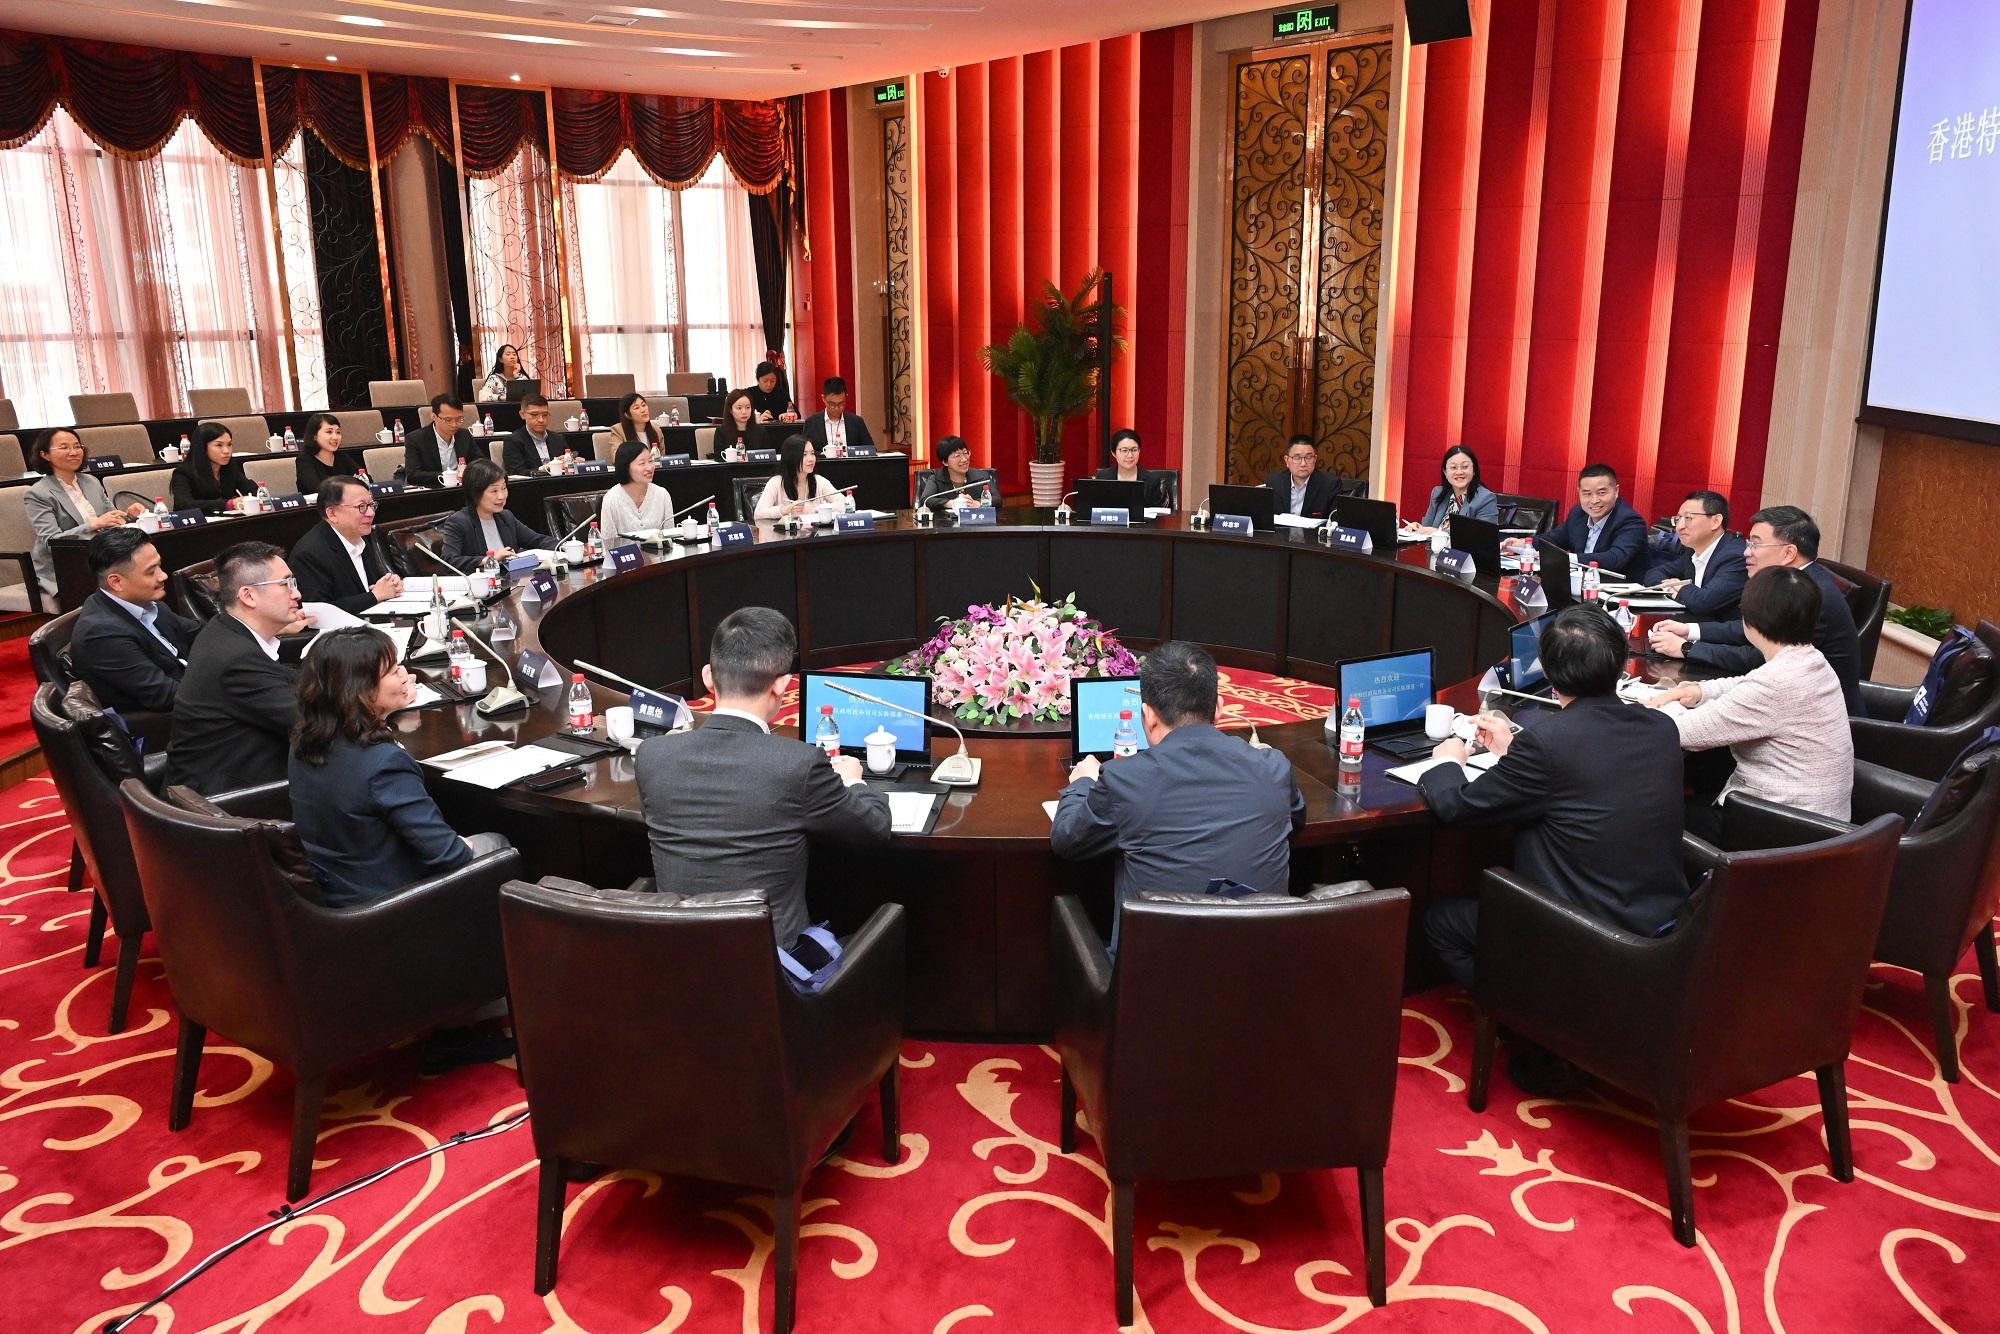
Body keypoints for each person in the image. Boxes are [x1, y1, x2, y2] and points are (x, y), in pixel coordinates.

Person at [1419, 605, 1689, 1004]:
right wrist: (1514, 751)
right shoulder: (1661, 727)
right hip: (1662, 926)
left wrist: (1447, 763)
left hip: (1578, 932)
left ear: (1548, 672)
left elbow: (1456, 807)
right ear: (1621, 665)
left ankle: (1534, 1015)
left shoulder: (1548, 742)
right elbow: (1592, 771)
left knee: (1441, 922)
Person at [634, 607, 891, 948]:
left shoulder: (652, 755)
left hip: (677, 958)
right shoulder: (798, 764)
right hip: (774, 965)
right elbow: (873, 828)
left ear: (708, 677)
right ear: (782, 686)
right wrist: (854, 780)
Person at [1050, 640, 1305, 944]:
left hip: (1154, 970)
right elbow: (1295, 820)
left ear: (1148, 716)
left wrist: (1083, 783)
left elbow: (1067, 838)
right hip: (1264, 965)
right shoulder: (1273, 767)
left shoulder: (1125, 780)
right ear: (1219, 709)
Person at [289, 626, 513, 905]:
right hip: (391, 904)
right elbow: (449, 855)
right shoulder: (383, 764)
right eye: (394, 671)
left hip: (333, 888)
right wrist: (463, 842)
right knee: (497, 844)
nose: (407, 675)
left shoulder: (305, 740)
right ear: (362, 690)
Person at [1646, 566, 1854, 837]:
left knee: (1647, 815)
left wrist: (1655, 704)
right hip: (1821, 822)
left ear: (1749, 621)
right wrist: (1699, 691)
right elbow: (1749, 683)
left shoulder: (1774, 685)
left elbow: (1682, 732)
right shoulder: (1811, 659)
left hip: (1778, 829)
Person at [1647, 504, 1862, 715]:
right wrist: (1690, 630)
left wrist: (1687, 648)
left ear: (1789, 553)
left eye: (1755, 544)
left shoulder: (1810, 596)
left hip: (1815, 713)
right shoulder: (1793, 582)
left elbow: (1762, 659)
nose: (1746, 552)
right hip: (1785, 698)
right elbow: (1750, 629)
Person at [167, 542, 312, 794]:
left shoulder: (224, 628)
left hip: (242, 775)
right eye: (285, 584)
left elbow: (285, 678)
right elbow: (310, 723)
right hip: (225, 800)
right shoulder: (235, 657)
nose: (297, 594)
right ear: (248, 596)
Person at [69, 525, 200, 714]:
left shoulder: (148, 605)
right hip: (169, 721)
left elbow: (200, 634)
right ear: (116, 582)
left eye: (159, 565)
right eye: (151, 571)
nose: (163, 575)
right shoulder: (101, 634)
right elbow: (165, 695)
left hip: (192, 692)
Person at [23, 427, 143, 606]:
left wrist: (128, 515)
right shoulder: (38, 493)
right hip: (66, 565)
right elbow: (50, 541)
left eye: (77, 446)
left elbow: (110, 518)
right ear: (45, 454)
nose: (73, 452)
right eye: (64, 447)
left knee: (143, 569)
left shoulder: (91, 481)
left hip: (101, 556)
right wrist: (93, 525)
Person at [290, 476, 408, 613]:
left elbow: (371, 587)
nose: (371, 513)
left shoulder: (361, 538)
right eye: (361, 506)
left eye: (371, 505)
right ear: (332, 513)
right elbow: (318, 612)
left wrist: (389, 584)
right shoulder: (309, 554)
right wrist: (375, 596)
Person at [1508, 463, 1647, 578]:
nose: (1594, 500)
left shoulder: (1630, 521)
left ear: (1616, 491)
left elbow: (1615, 558)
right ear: (1579, 492)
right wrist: (1525, 544)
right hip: (1581, 585)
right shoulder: (1578, 513)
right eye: (1587, 494)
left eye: (1602, 493)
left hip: (1617, 592)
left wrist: (1566, 559)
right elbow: (1555, 538)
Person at [1642, 489, 1748, 619]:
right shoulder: (1693, 550)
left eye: (1688, 518)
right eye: (1678, 519)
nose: (1679, 527)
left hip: (1718, 630)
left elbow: (1703, 602)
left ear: (1716, 521)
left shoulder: (1736, 556)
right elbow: (1653, 574)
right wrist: (1671, 587)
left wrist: (1680, 588)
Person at [439, 459, 556, 569]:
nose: (501, 496)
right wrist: (490, 559)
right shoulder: (458, 522)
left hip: (511, 579)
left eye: (504, 488)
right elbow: (449, 560)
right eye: (494, 491)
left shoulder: (506, 516)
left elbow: (538, 540)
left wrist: (563, 546)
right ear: (475, 493)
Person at [1410, 445, 1500, 533]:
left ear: (1474, 470)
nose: (1459, 472)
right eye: (1453, 467)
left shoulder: (1486, 498)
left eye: (1465, 467)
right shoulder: (1438, 493)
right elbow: (1427, 527)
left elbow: (1483, 536)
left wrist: (1439, 533)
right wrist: (1417, 528)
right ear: (1445, 472)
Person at [169, 423, 256, 513]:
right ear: (202, 447)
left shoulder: (229, 468)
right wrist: (228, 504)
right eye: (219, 445)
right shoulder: (183, 473)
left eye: (229, 444)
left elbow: (253, 490)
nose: (226, 451)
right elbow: (183, 504)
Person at [401, 395, 483, 488]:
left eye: (459, 419)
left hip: (462, 489)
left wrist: (468, 472)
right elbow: (413, 475)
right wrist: (449, 476)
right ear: (434, 416)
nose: (454, 424)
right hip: (432, 490)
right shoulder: (415, 439)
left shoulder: (464, 435)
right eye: (448, 420)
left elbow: (480, 462)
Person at [753, 434, 838, 520]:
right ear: (791, 457)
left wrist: (819, 509)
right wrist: (785, 510)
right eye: (804, 454)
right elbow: (758, 513)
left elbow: (843, 503)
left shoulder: (819, 481)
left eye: (812, 453)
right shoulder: (776, 482)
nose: (811, 459)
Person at [601, 441, 675, 535]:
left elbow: (670, 536)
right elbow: (608, 540)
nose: (649, 468)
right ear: (625, 467)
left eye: (650, 461)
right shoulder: (611, 499)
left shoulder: (662, 494)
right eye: (642, 463)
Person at [1262, 435, 1342, 520]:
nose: (1303, 463)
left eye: (1308, 457)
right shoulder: (1274, 482)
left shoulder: (1330, 484)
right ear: (1287, 460)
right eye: (1297, 458)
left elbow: (1335, 519)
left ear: (1315, 459)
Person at [1092, 428, 1174, 509]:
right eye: (1124, 450)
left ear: (1139, 451)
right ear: (1113, 453)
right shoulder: (1103, 477)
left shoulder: (1152, 480)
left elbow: (1157, 513)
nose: (1130, 455)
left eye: (1134, 450)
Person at [799, 376, 878, 456]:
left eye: (841, 404)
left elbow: (871, 450)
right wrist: (824, 454)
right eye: (832, 404)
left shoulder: (856, 422)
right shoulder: (811, 423)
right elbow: (803, 452)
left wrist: (851, 452)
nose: (836, 408)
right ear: (823, 398)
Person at [915, 436, 996, 510]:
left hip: (975, 520)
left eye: (965, 453)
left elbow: (997, 498)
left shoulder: (981, 476)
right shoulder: (936, 478)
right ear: (945, 462)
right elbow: (925, 500)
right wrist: (950, 503)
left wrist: (979, 503)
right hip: (946, 521)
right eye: (957, 456)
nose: (964, 459)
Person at [501, 392, 563, 475]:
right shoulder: (513, 441)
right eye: (534, 415)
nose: (541, 420)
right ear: (522, 415)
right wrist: (545, 468)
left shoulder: (558, 438)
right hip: (532, 483)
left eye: (545, 415)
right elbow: (517, 472)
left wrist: (573, 463)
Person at [294, 413, 357, 494]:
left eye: (338, 432)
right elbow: (317, 488)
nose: (335, 437)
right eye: (329, 432)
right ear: (314, 436)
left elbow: (364, 477)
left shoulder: (341, 456)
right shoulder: (304, 460)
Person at [712, 389, 756, 458]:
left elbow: (767, 456)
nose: (744, 412)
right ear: (730, 410)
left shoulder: (760, 431)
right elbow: (719, 458)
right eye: (739, 408)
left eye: (748, 407)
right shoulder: (721, 432)